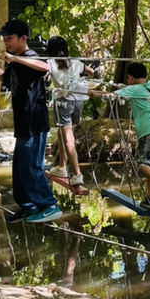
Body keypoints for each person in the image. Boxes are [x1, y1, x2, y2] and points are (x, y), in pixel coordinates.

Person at [0, 19, 61, 223]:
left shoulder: (30, 57)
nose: (6, 43)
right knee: (20, 167)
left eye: (9, 39)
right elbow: (4, 79)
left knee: (32, 165)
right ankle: (29, 205)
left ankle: (49, 204)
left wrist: (15, 60)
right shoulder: (16, 60)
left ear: (23, 38)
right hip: (23, 123)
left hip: (35, 122)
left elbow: (44, 68)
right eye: (4, 39)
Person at [100, 61, 150, 206]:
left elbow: (110, 95)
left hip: (148, 130)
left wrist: (93, 93)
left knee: (141, 164)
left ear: (130, 78)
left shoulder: (133, 89)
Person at [46, 36, 94, 190]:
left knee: (68, 137)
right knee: (63, 132)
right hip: (79, 101)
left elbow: (43, 75)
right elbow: (91, 71)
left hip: (64, 101)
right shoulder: (75, 62)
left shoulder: (50, 63)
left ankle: (77, 174)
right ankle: (61, 166)